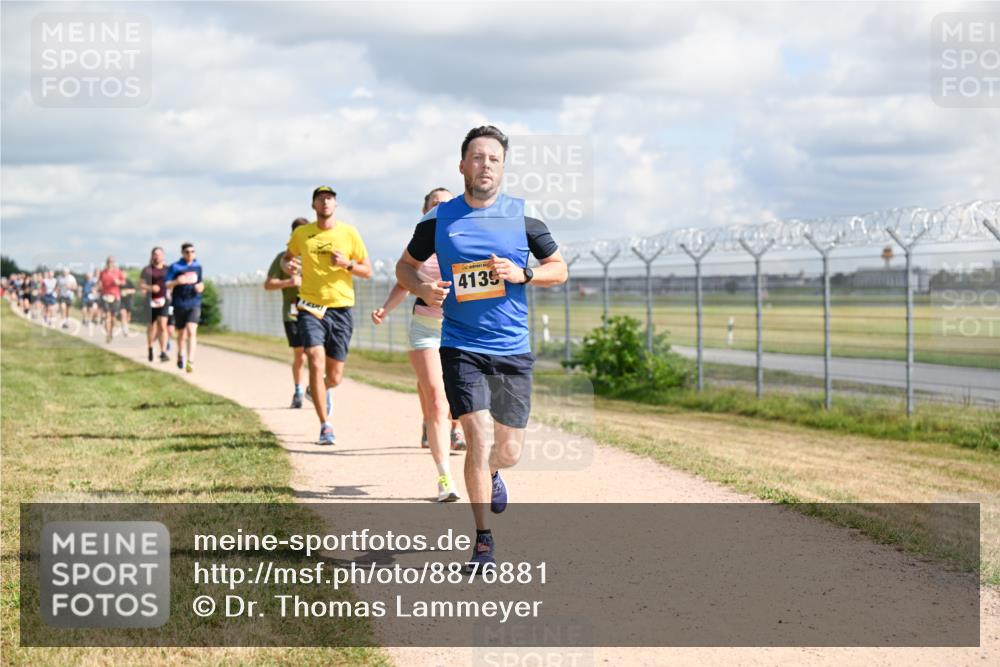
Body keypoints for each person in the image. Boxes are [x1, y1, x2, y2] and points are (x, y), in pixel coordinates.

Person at [396, 126, 568, 571]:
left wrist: (523, 274)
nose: (485, 165)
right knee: (476, 435)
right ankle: (483, 541)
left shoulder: (523, 218)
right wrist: (424, 287)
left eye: (493, 158)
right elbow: (404, 267)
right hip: (460, 345)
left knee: (508, 452)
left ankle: (492, 474)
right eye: (476, 157)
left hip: (511, 347)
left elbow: (559, 269)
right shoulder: (438, 220)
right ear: (462, 166)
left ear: (503, 168)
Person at [372, 187, 465, 503]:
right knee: (437, 399)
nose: (440, 206)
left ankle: (444, 424)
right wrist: (386, 308)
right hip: (426, 328)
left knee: (452, 395)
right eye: (434, 203)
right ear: (425, 211)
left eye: (446, 202)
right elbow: (403, 281)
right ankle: (445, 478)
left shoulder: (466, 241)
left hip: (461, 330)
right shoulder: (420, 246)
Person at [280, 186, 372, 445]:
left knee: (334, 376)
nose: (325, 202)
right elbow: (286, 260)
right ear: (314, 206)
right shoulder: (302, 234)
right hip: (310, 306)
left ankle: (318, 388)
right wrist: (288, 266)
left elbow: (368, 270)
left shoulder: (349, 233)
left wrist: (348, 264)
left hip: (341, 308)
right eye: (320, 199)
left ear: (335, 205)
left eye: (329, 198)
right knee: (315, 359)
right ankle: (325, 425)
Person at [265, 217, 309, 408]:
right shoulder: (283, 258)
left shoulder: (314, 257)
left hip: (315, 309)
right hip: (292, 311)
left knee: (316, 352)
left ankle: (318, 389)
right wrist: (288, 282)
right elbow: (268, 284)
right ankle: (298, 390)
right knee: (300, 353)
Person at [165, 242, 204, 373]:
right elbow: (167, 285)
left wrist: (201, 287)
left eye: (193, 251)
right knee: (181, 334)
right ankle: (180, 354)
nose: (190, 254)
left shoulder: (198, 266)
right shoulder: (175, 267)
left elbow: (200, 283)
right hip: (179, 303)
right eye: (187, 252)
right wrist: (176, 282)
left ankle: (190, 361)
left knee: (191, 330)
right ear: (182, 253)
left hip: (194, 303)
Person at [140, 247, 171, 362]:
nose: (157, 256)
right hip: (150, 301)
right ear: (152, 256)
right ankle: (150, 347)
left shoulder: (168, 270)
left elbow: (172, 282)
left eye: (159, 254)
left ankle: (163, 352)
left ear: (163, 256)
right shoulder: (147, 270)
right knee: (152, 327)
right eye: (155, 254)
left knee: (163, 326)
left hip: (164, 300)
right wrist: (150, 287)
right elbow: (141, 285)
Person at [97, 258, 126, 342]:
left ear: (114, 263)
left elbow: (123, 282)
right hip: (105, 296)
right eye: (109, 262)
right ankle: (107, 334)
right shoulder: (103, 272)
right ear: (106, 263)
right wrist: (99, 285)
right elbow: (99, 282)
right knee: (107, 316)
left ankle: (111, 332)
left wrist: (119, 282)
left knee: (113, 317)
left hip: (115, 296)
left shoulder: (118, 272)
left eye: (112, 262)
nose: (110, 263)